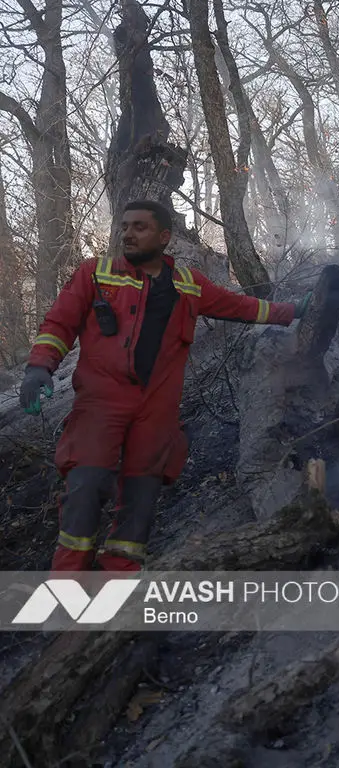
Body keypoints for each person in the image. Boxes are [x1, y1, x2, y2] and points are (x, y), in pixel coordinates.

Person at [19, 200, 312, 572]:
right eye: (125, 226)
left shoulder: (188, 284)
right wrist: (38, 368)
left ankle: (117, 586)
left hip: (156, 408)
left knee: (141, 499)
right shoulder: (96, 274)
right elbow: (58, 323)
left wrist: (293, 312)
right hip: (100, 401)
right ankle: (66, 588)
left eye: (140, 227)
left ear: (164, 237)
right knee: (86, 486)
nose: (128, 233)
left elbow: (241, 307)